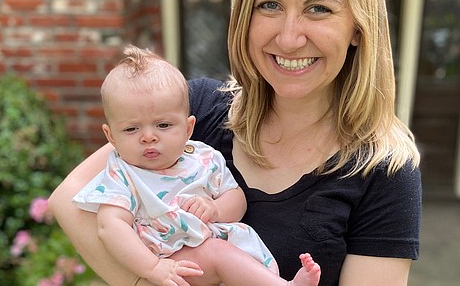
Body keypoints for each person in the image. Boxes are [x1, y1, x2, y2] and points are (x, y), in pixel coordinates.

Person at [49, 0, 421, 286]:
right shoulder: (195, 111)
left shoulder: (385, 173)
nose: (290, 38)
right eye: (270, 5)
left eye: (319, 8)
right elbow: (70, 200)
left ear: (359, 27)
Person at [72, 45, 321, 286]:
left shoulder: (203, 157)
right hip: (170, 257)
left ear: (189, 128)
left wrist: (215, 209)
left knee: (224, 255)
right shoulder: (122, 174)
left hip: (215, 248)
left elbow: (236, 198)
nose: (148, 137)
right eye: (131, 129)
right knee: (217, 254)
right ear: (111, 136)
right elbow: (110, 227)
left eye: (163, 125)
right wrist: (152, 268)